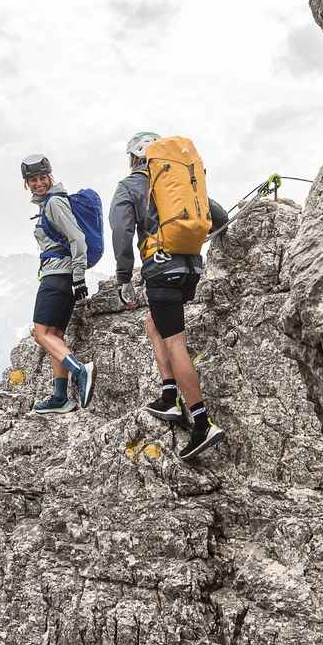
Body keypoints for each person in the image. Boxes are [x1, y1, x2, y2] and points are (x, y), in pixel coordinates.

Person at [109, 131, 230, 461]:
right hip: (190, 269)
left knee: (176, 341)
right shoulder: (176, 181)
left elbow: (121, 232)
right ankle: (169, 396)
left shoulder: (130, 185)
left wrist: (124, 279)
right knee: (155, 324)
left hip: (161, 270)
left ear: (134, 158)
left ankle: (202, 422)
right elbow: (218, 217)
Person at [23, 154, 95, 416]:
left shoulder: (54, 203)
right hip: (64, 276)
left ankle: (80, 370)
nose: (38, 183)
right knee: (55, 335)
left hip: (58, 275)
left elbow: (77, 237)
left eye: (42, 178)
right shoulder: (49, 204)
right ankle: (60, 398)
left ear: (50, 177)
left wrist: (79, 276)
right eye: (33, 180)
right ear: (27, 183)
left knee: (41, 334)